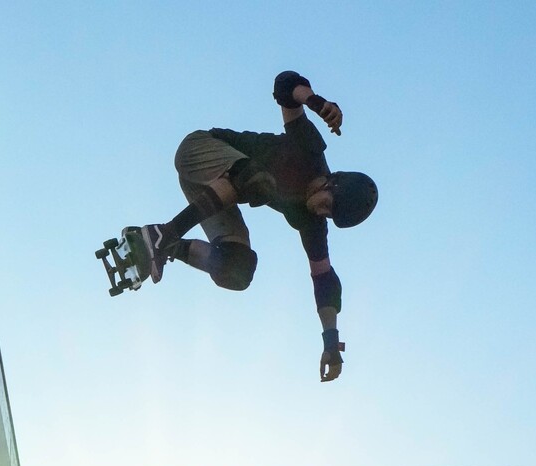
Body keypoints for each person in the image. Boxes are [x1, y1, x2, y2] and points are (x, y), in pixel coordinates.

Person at [128, 70, 378, 383]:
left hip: (210, 194)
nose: (321, 212)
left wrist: (331, 342)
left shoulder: (311, 222)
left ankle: (168, 246)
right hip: (200, 151)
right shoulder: (309, 151)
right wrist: (317, 102)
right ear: (332, 181)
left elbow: (324, 278)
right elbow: (285, 86)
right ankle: (165, 233)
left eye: (329, 216)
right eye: (328, 204)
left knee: (238, 269)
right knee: (261, 182)